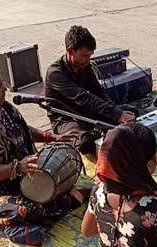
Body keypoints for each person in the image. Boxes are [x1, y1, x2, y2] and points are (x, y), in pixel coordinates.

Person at [0, 63, 90, 246]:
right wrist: (17, 167)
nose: (5, 88)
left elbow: (20, 129)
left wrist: (51, 137)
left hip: (20, 173)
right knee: (30, 208)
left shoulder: (2, 106)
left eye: (2, 83)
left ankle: (64, 200)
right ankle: (10, 223)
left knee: (53, 183)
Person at [45, 25, 138, 155]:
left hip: (85, 112)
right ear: (71, 51)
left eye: (90, 56)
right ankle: (100, 132)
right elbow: (83, 97)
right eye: (84, 56)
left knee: (130, 112)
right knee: (85, 143)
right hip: (66, 119)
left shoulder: (84, 64)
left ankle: (101, 131)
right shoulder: (55, 73)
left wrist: (116, 111)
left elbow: (97, 90)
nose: (88, 60)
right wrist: (116, 115)